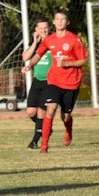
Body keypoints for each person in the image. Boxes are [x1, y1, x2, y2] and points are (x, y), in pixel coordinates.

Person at [22, 9, 88, 153]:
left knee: (65, 116)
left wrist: (67, 64)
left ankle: (68, 129)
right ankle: (44, 146)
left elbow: (83, 59)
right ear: (54, 22)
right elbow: (37, 55)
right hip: (54, 81)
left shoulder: (74, 39)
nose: (59, 21)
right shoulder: (49, 39)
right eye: (57, 19)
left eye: (62, 19)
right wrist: (29, 66)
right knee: (50, 110)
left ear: (67, 22)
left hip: (71, 82)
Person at [21, 17, 52, 149]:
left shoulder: (53, 42)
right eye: (40, 28)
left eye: (45, 27)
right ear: (36, 30)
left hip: (50, 82)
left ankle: (34, 142)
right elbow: (25, 57)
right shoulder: (35, 43)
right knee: (31, 112)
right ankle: (45, 127)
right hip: (37, 81)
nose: (43, 30)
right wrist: (34, 42)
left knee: (41, 113)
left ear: (49, 28)